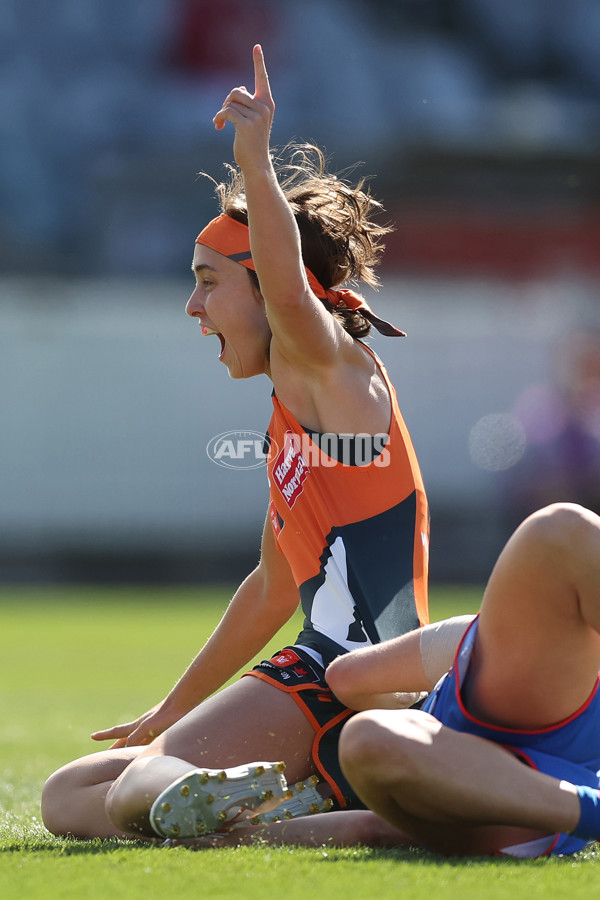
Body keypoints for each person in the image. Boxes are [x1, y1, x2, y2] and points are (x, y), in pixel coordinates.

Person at [41, 45, 430, 841]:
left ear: (266, 288)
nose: (192, 306)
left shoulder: (327, 364)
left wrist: (254, 160)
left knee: (137, 790)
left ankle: (340, 804)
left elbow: (287, 287)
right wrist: (171, 709)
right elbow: (267, 588)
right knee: (72, 796)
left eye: (208, 280)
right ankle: (315, 808)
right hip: (318, 668)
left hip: (351, 671)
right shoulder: (296, 412)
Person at [328, 501, 600, 858]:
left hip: (507, 769)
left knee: (366, 738)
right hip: (532, 771)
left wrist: (245, 831)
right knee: (561, 530)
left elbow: (345, 679)